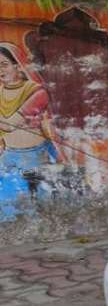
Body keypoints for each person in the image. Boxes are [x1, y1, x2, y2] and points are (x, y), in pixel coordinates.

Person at [0, 44, 61, 213]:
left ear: (18, 65)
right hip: (10, 157)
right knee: (9, 207)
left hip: (36, 156)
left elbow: (9, 125)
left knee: (40, 207)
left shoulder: (38, 93)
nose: (0, 70)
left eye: (4, 64)